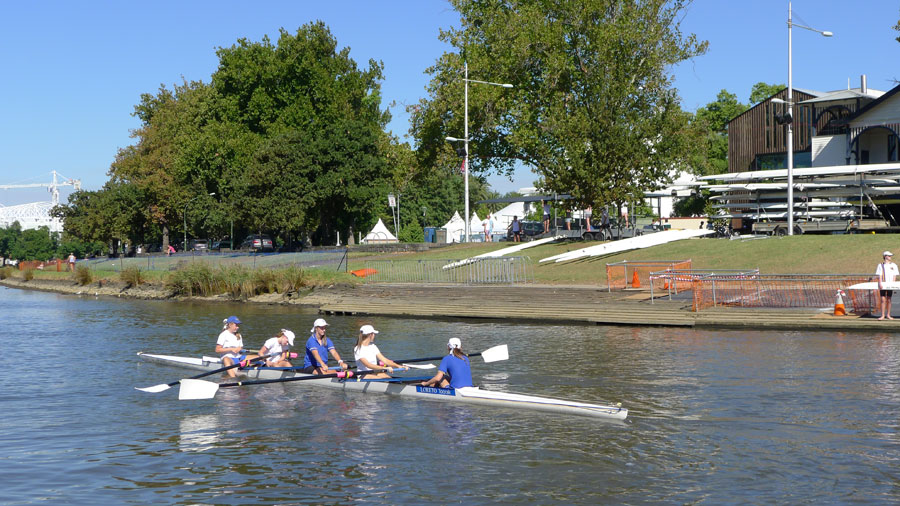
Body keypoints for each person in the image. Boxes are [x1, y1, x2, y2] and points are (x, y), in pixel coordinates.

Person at [874, 251, 899, 320]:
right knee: (883, 299)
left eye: (891, 256)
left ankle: (888, 315)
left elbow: (895, 275)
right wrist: (880, 283)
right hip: (883, 284)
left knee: (889, 299)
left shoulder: (894, 265)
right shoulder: (880, 265)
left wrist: (893, 284)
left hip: (890, 284)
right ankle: (882, 315)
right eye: (889, 256)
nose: (890, 257)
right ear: (885, 256)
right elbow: (879, 275)